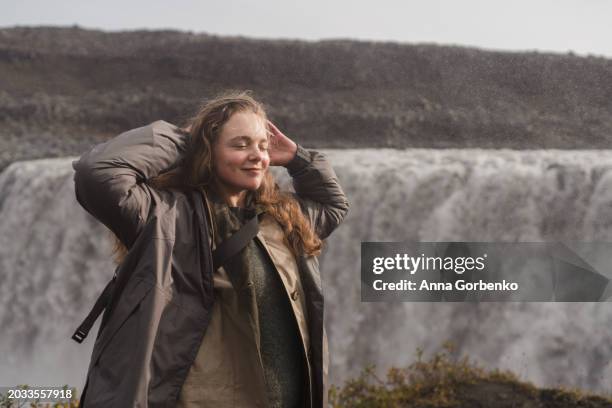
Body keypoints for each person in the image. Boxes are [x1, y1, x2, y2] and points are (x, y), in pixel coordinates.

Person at [72, 90, 349, 407]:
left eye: (263, 145)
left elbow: (334, 205)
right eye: (240, 144)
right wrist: (184, 139)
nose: (257, 155)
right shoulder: (165, 216)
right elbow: (97, 173)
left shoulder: (282, 219)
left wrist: (299, 158)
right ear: (207, 150)